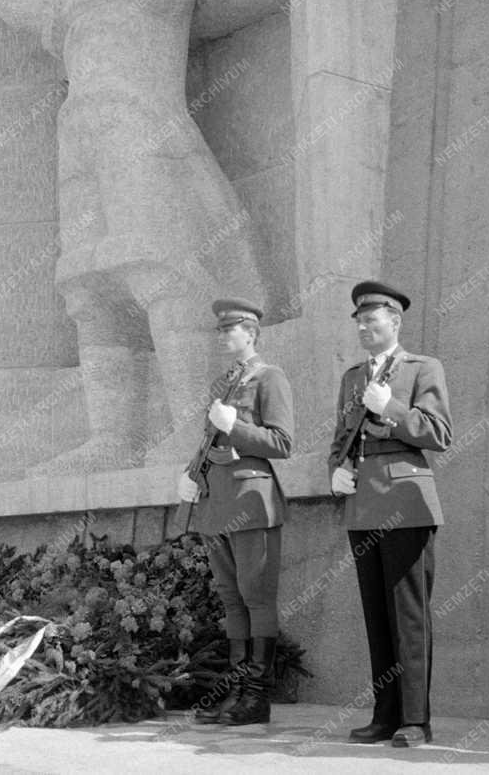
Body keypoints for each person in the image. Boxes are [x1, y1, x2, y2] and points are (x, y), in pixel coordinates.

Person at [0, 0, 282, 469]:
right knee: (86, 284)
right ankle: (110, 436)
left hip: (140, 128)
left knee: (158, 267)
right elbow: (33, 5)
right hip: (79, 134)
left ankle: (194, 422)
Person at [328, 281, 452, 747]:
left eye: (371, 319)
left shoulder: (423, 368)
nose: (363, 326)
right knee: (377, 615)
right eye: (359, 320)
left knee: (409, 614)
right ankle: (385, 714)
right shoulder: (352, 377)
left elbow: (440, 432)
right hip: (362, 504)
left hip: (406, 502)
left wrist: (393, 408)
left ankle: (416, 720)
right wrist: (334, 471)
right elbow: (341, 438)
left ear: (395, 322)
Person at [177, 298, 293, 726]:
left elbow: (282, 442)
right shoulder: (222, 382)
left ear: (252, 332)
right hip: (216, 502)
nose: (224, 336)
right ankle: (234, 692)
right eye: (220, 330)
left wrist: (235, 426)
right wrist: (189, 473)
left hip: (251, 500)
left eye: (231, 329)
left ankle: (256, 697)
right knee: (231, 599)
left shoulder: (270, 377)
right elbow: (210, 441)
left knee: (256, 597)